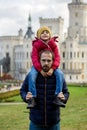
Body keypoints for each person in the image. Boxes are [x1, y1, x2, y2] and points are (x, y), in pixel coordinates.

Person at [20, 50, 70, 130]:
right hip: (36, 123)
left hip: (54, 123)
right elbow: (23, 90)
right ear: (39, 61)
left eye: (49, 60)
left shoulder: (58, 76)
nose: (46, 63)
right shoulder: (31, 75)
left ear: (53, 61)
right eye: (43, 60)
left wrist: (64, 98)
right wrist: (25, 97)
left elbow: (66, 92)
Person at [28, 26, 64, 108]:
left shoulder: (53, 45)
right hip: (38, 66)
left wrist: (53, 68)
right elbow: (34, 58)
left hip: (51, 66)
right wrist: (40, 69)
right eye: (42, 32)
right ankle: (32, 97)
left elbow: (57, 57)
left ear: (50, 35)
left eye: (47, 32)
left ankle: (57, 96)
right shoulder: (36, 45)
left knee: (60, 74)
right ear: (39, 35)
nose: (45, 34)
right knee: (32, 75)